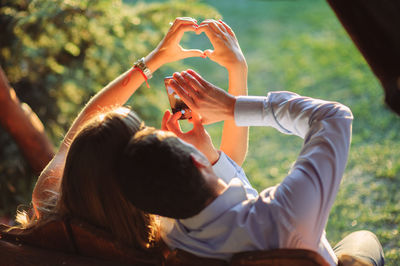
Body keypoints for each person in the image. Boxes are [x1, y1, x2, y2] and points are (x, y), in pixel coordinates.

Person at [116, 20, 384, 265]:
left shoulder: (168, 234)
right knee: (363, 240)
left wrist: (209, 153)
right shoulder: (286, 214)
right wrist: (232, 107)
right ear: (196, 163)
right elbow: (334, 116)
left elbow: (232, 200)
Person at [10, 17, 248, 254]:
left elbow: (81, 128)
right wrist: (238, 71)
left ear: (78, 161)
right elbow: (231, 166)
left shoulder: (50, 202)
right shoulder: (165, 226)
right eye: (142, 133)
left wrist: (153, 60)